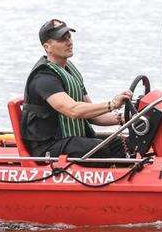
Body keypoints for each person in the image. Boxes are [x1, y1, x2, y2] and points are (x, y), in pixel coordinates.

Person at [21, 18, 132, 159]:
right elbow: (73, 110)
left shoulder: (70, 70)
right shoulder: (44, 77)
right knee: (102, 150)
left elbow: (93, 115)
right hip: (48, 147)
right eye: (61, 39)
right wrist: (112, 104)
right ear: (47, 46)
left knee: (124, 145)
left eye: (69, 37)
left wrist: (126, 118)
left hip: (70, 141)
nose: (69, 42)